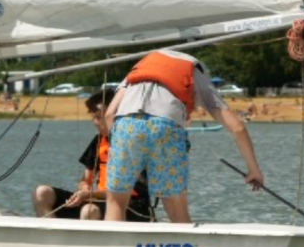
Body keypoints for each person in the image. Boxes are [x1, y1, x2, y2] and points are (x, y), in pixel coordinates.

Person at [103, 50, 264, 224]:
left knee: (116, 202)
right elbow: (238, 127)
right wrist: (253, 169)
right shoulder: (193, 71)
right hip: (167, 128)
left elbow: (109, 114)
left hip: (125, 125)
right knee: (176, 207)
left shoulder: (140, 68)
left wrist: (125, 148)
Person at [32, 88, 154, 222]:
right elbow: (85, 179)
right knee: (42, 193)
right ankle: (52, 240)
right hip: (97, 202)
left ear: (116, 115)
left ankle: (88, 241)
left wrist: (89, 194)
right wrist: (84, 188)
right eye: (93, 116)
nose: (95, 122)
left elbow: (129, 192)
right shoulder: (98, 142)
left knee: (89, 210)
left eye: (99, 117)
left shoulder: (136, 144)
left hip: (132, 207)